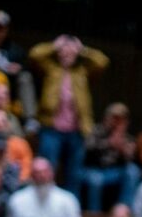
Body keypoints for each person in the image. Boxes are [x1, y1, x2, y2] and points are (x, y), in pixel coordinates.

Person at [29, 35, 108, 192]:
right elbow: (35, 54)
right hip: (51, 128)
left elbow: (102, 61)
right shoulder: (52, 68)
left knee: (73, 174)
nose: (67, 55)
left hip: (77, 130)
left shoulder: (81, 72)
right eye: (64, 52)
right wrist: (55, 45)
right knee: (46, 167)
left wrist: (82, 49)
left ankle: (70, 206)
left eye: (71, 53)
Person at [82, 102, 139, 212]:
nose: (116, 122)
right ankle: (95, 215)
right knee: (95, 180)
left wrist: (123, 150)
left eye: (121, 119)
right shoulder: (96, 131)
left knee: (132, 171)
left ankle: (123, 211)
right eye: (114, 118)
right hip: (93, 170)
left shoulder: (127, 138)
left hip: (114, 172)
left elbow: (132, 159)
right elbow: (87, 149)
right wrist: (108, 143)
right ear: (107, 117)